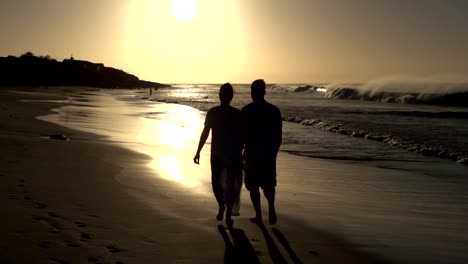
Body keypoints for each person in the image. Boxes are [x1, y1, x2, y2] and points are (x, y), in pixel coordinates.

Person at [193, 83, 243, 227]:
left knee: (216, 183)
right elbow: (242, 136)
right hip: (232, 153)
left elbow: (205, 133)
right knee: (231, 184)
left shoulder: (213, 112)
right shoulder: (236, 113)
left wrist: (198, 152)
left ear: (220, 95)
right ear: (230, 96)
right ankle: (225, 212)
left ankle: (222, 207)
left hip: (217, 153)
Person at [242, 79, 282, 225]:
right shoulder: (274, 110)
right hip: (268, 153)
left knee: (253, 186)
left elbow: (242, 136)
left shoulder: (246, 110)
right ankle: (271, 208)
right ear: (264, 92)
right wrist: (274, 153)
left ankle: (258, 215)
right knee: (269, 185)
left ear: (252, 92)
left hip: (251, 153)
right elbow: (278, 136)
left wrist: (240, 154)